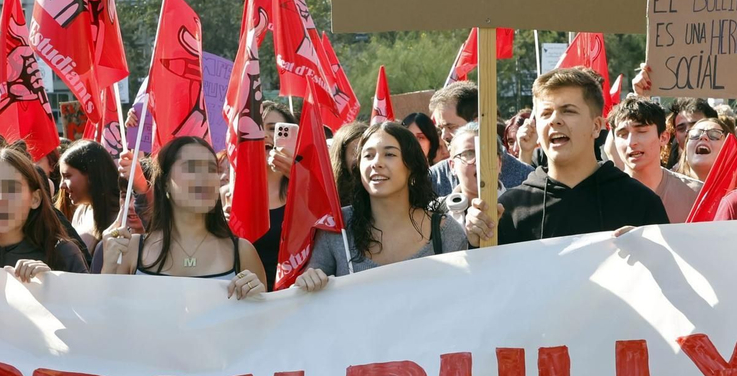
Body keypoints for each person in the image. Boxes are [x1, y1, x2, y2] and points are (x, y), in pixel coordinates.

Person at [466, 67, 668, 245]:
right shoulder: (511, 210)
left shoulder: (640, 202)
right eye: (546, 113)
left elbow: (667, 273)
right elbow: (488, 275)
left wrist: (649, 251)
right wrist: (478, 242)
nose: (554, 120)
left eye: (568, 111)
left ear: (596, 126)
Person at [295, 121, 465, 288]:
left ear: (412, 167)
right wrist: (307, 281)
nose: (376, 163)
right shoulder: (336, 228)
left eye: (389, 154)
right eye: (368, 155)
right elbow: (305, 295)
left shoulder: (446, 232)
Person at [99, 136, 267, 298]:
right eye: (191, 167)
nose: (205, 178)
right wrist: (109, 268)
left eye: (211, 169)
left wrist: (258, 298)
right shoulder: (130, 250)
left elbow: (263, 316)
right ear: (165, 182)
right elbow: (105, 312)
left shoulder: (243, 252)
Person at [0, 146, 89, 280]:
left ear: (35, 198)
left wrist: (53, 282)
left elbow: (87, 293)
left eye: (11, 189)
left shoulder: (62, 254)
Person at [427, 81, 532, 197]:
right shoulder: (434, 179)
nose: (444, 136)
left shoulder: (526, 178)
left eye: (450, 127)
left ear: (478, 122)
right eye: (441, 128)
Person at [607, 97, 699, 223]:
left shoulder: (696, 194)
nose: (631, 142)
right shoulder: (601, 198)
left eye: (641, 131)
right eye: (622, 134)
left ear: (663, 137)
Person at [252, 101, 296, 287]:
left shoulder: (306, 188)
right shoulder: (230, 193)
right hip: (248, 295)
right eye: (258, 129)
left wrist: (300, 180)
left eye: (274, 129)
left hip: (296, 293)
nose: (265, 135)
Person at [55, 139, 120, 256]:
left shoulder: (123, 217)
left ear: (91, 175)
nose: (62, 186)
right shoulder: (81, 211)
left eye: (67, 176)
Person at [440, 121, 482, 228]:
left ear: (500, 163)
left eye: (486, 153)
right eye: (469, 154)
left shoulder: (519, 205)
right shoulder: (435, 213)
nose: (479, 161)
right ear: (452, 166)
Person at [676, 115, 731, 186]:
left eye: (714, 134)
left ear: (729, 151)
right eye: (695, 134)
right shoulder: (667, 189)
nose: (703, 136)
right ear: (686, 152)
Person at [328, 121, 368, 213]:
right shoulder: (331, 206)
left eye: (370, 153)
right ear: (342, 160)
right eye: (357, 152)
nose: (365, 159)